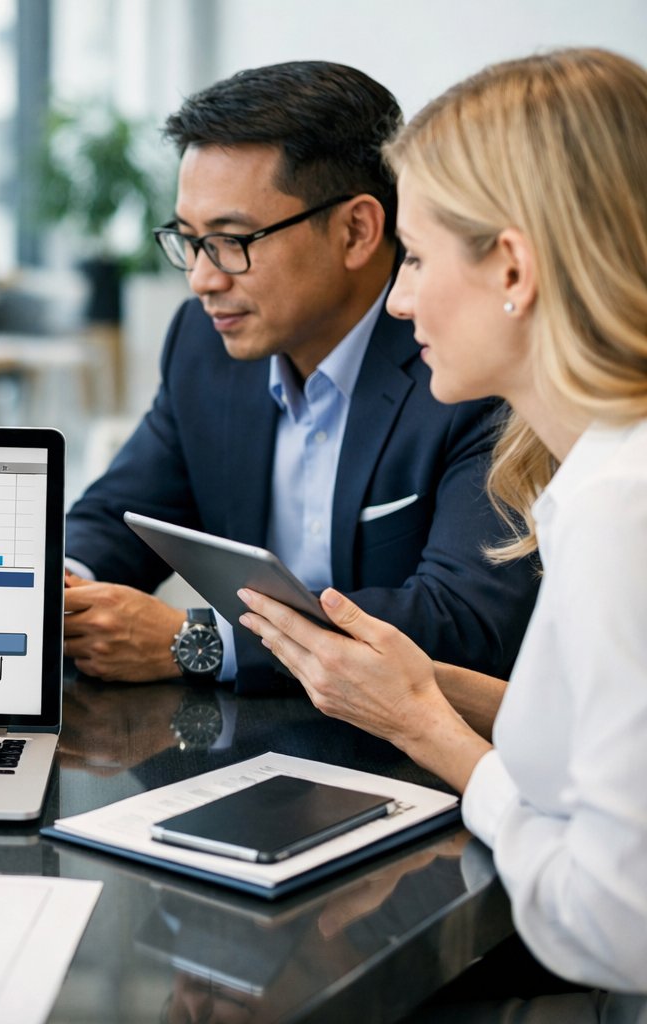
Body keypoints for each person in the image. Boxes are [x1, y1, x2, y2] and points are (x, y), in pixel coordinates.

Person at [239, 48, 647, 1010]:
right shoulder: (604, 473)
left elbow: (615, 921)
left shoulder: (619, 509)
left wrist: (435, 735)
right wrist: (429, 688)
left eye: (416, 258)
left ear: (512, 265)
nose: (401, 297)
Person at [62, 61, 539, 695]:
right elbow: (119, 512)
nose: (202, 279)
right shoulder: (206, 342)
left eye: (232, 240)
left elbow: (464, 622)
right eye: (188, 240)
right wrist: (61, 582)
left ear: (356, 231)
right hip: (250, 743)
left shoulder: (465, 362)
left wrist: (198, 641)